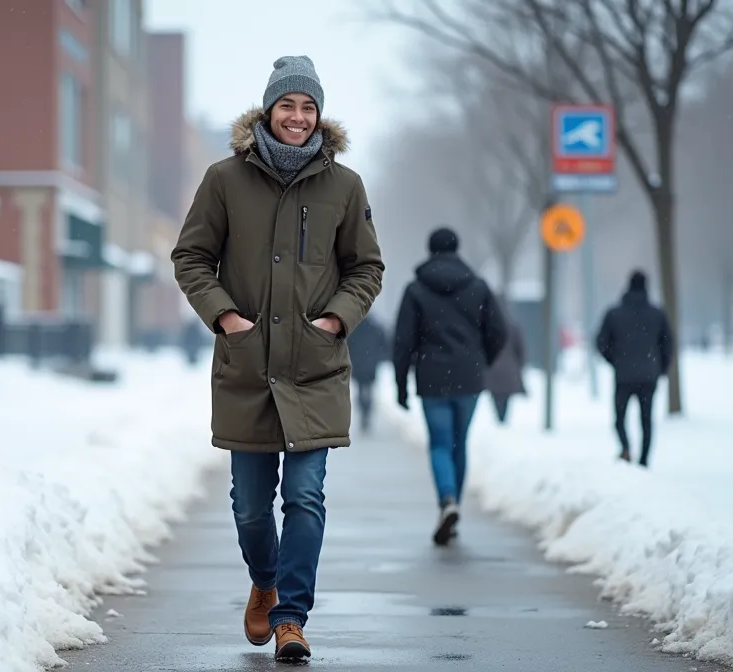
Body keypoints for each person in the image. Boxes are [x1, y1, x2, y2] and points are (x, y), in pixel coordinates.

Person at [170, 55, 384, 662]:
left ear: (320, 116)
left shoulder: (344, 185)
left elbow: (366, 267)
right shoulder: (223, 179)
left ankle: (291, 616)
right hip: (248, 370)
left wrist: (336, 318)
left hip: (314, 368)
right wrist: (227, 318)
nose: (298, 117)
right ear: (269, 110)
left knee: (307, 498)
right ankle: (264, 581)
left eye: (308, 107)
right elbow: (191, 256)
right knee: (249, 507)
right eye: (288, 105)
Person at [392, 228, 507, 546]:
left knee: (440, 444)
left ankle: (447, 501)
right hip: (469, 377)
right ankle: (453, 504)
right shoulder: (478, 287)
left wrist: (401, 384)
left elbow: (403, 341)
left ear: (430, 250)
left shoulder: (416, 290)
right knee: (460, 443)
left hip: (432, 379)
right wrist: (482, 358)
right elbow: (499, 331)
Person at [595, 270, 674, 467]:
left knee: (619, 418)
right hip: (649, 376)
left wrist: (615, 360)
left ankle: (625, 449)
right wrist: (660, 368)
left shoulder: (614, 313)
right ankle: (644, 460)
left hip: (623, 377)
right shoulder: (657, 314)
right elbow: (668, 344)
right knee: (646, 420)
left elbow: (601, 342)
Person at [346, 318, 388, 434]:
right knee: (368, 389)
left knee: (361, 389)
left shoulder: (353, 328)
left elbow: (347, 345)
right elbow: (384, 344)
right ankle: (367, 410)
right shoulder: (375, 327)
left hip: (358, 364)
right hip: (371, 365)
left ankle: (364, 410)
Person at [484, 317, 527, 424]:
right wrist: (520, 365)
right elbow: (520, 349)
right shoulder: (513, 327)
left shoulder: (487, 326)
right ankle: (502, 419)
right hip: (509, 368)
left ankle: (500, 419)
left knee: (496, 396)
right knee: (505, 397)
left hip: (492, 367)